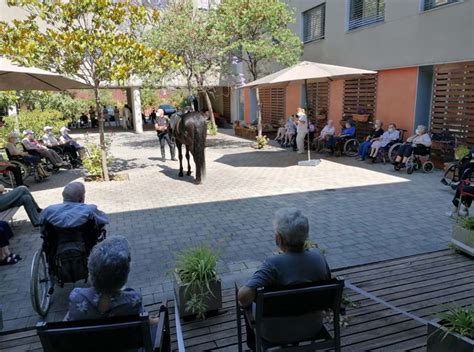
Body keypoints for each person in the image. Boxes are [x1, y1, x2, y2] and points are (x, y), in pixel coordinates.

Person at [238, 208, 331, 351]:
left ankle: (252, 346)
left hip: (275, 333)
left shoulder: (273, 264)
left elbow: (243, 298)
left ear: (279, 238)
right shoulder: (318, 257)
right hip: (312, 327)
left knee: (243, 296)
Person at [65, 236, 146, 321]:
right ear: (124, 276)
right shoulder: (134, 301)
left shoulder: (77, 296)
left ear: (91, 270)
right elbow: (146, 322)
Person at [40, 182, 109, 228]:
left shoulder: (49, 210)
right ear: (81, 197)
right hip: (85, 245)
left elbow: (41, 224)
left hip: (56, 246)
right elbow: (105, 220)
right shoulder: (89, 210)